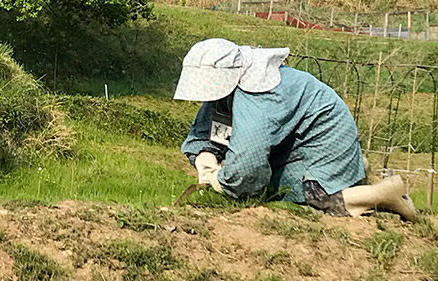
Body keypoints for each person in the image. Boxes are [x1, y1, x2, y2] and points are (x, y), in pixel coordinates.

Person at [176, 38, 416, 221]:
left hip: (326, 134)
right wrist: (205, 159)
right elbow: (203, 133)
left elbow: (247, 165)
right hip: (295, 142)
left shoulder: (257, 97)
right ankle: (354, 173)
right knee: (273, 189)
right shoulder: (227, 91)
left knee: (317, 198)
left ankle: (385, 195)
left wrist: (222, 181)